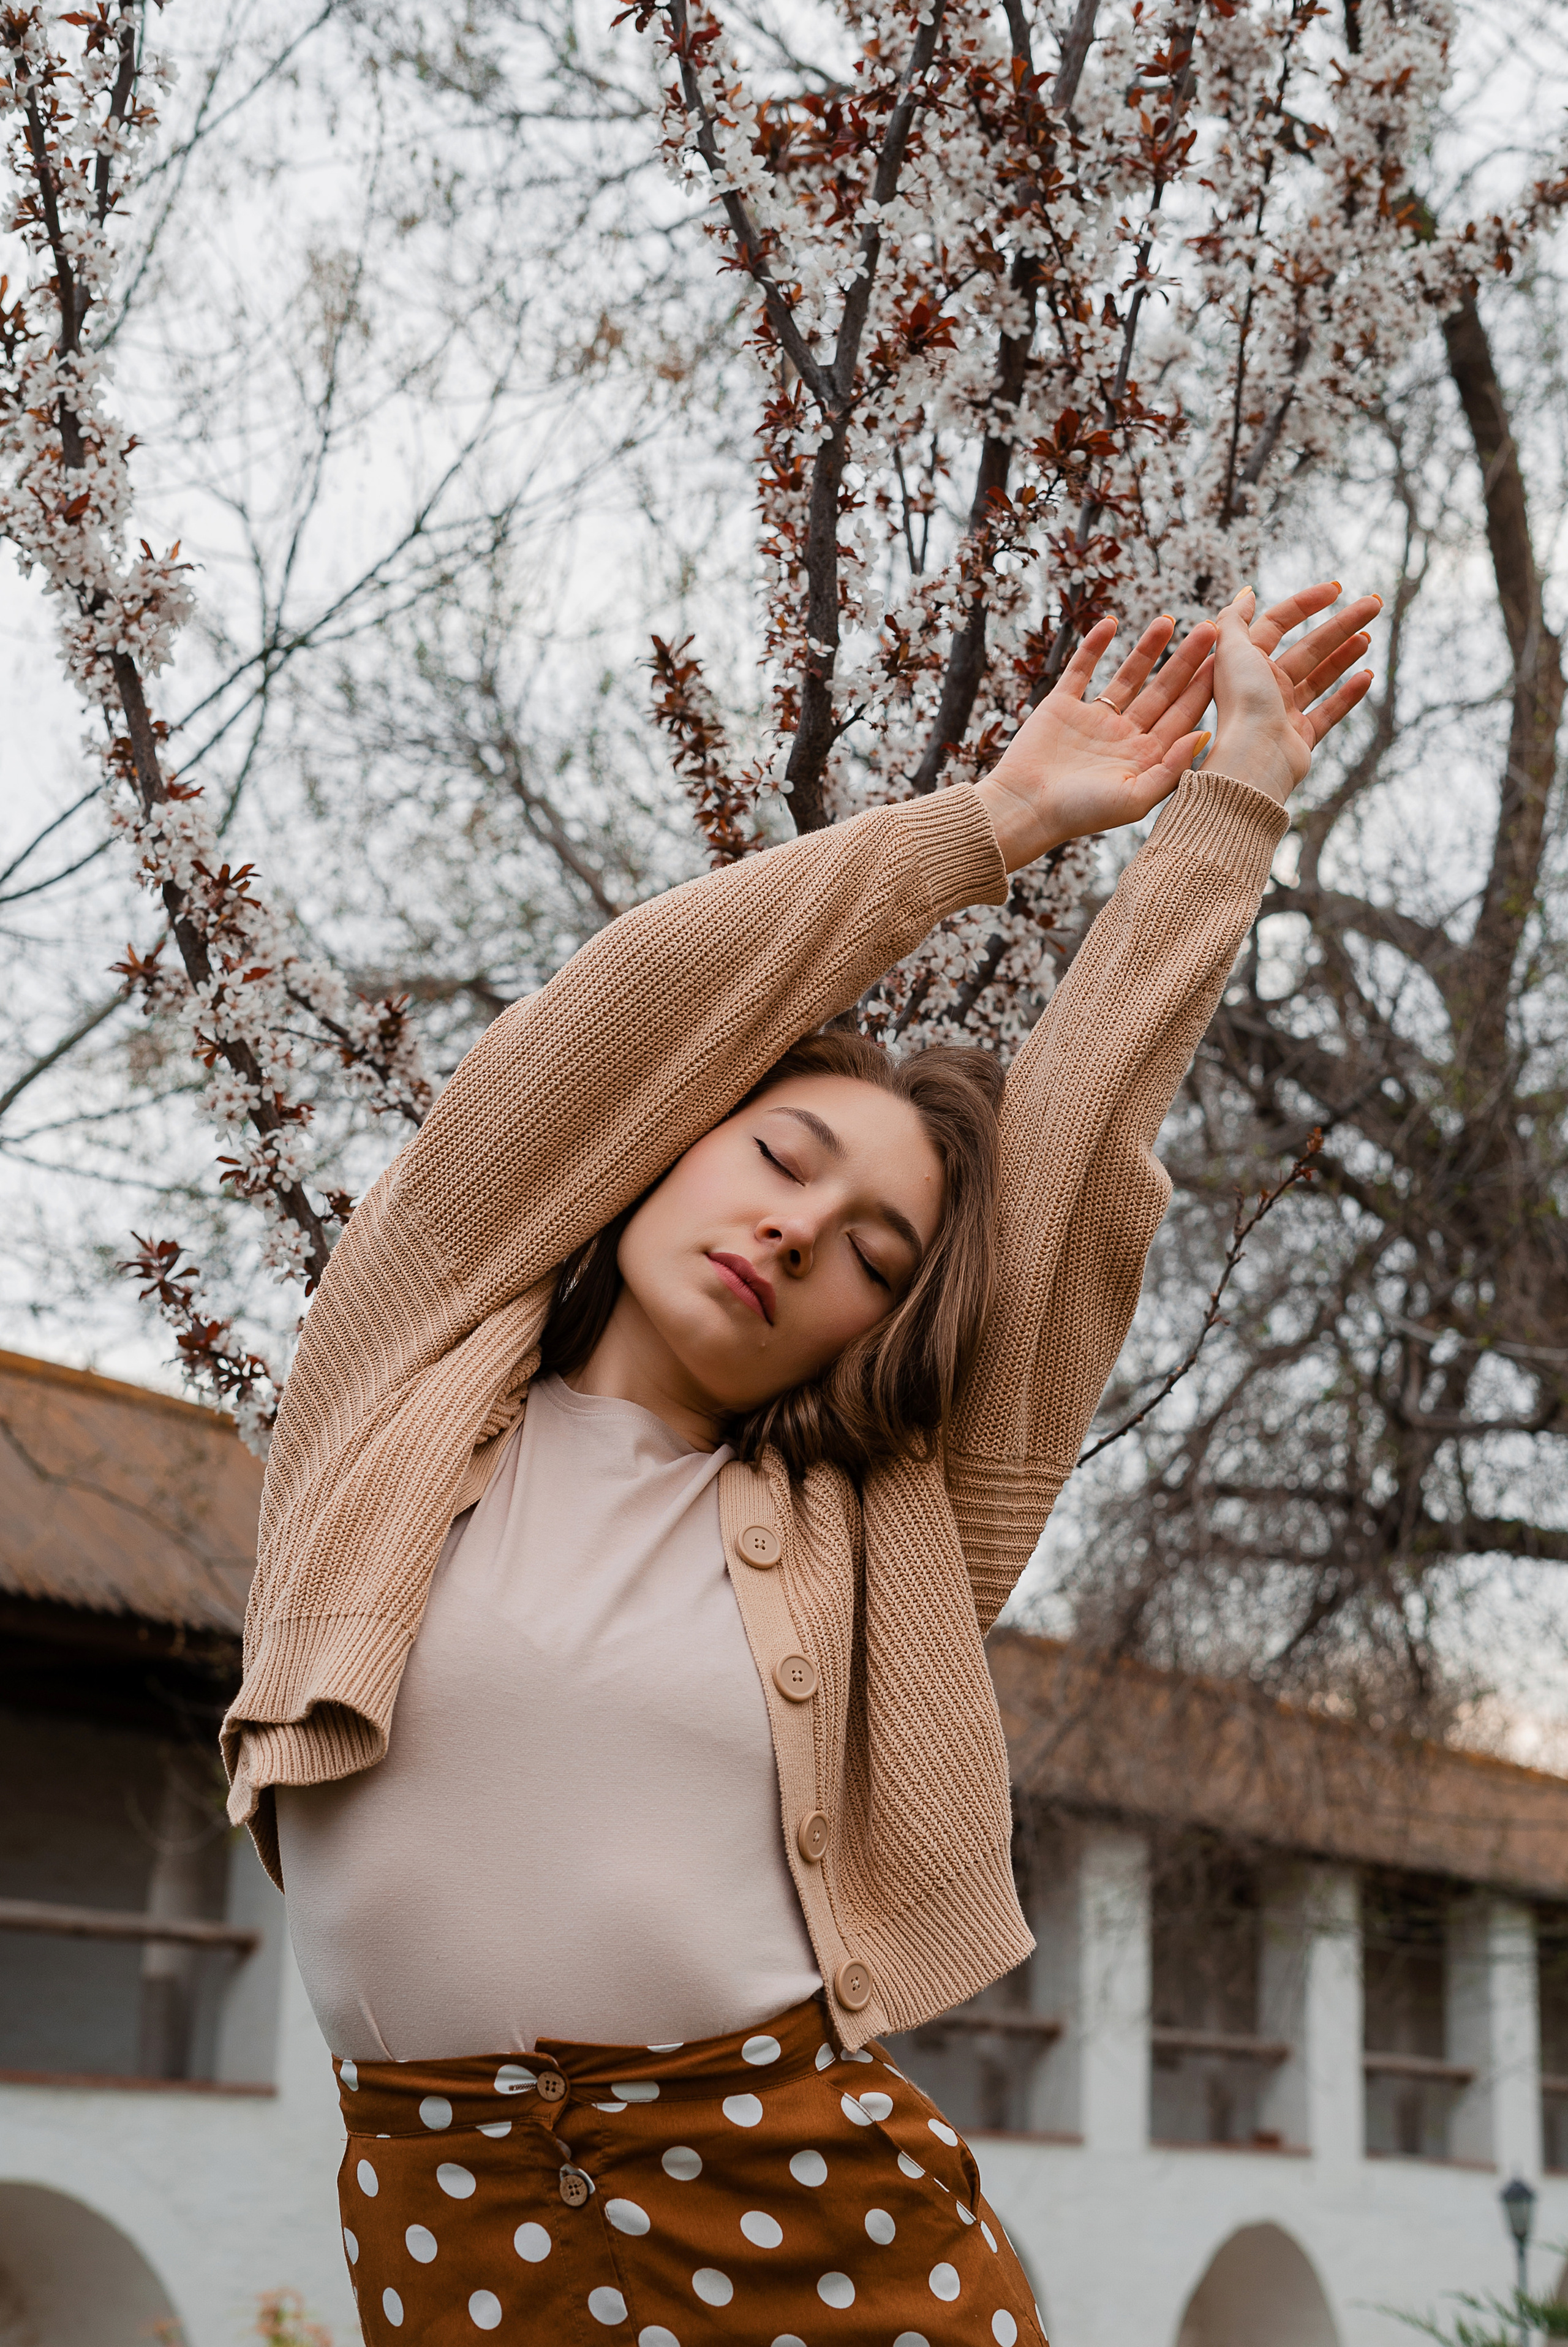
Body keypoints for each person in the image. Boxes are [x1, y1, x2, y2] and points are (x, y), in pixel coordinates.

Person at [223, 581, 1376, 2345]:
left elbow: (1070, 1176)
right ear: (670, 1145)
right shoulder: (404, 1371)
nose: (799, 1231)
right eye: (778, 1153)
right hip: (444, 2228)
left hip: (809, 2215)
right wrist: (992, 826)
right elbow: (616, 1016)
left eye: (872, 1255)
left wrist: (1226, 817)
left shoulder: (877, 1536)